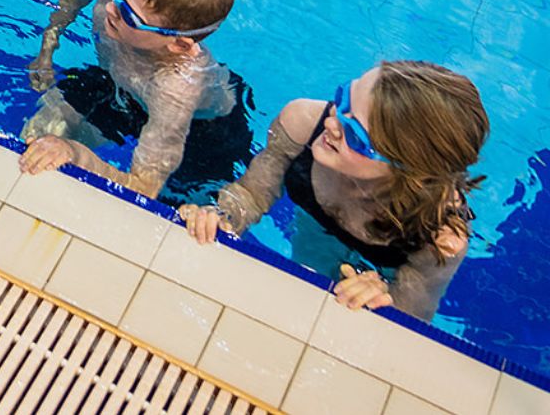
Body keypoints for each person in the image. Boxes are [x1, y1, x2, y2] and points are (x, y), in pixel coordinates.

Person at [179, 61, 489, 322]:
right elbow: (251, 193)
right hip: (311, 228)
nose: (333, 122)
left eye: (355, 135)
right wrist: (223, 216)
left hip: (375, 258)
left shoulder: (439, 236)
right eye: (344, 100)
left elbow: (413, 320)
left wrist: (384, 299)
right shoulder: (301, 123)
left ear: (406, 170)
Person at [18, 0, 247, 202]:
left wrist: (75, 153)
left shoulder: (176, 89)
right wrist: (49, 44)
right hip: (119, 85)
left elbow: (142, 189)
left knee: (179, 203)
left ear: (179, 44)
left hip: (201, 132)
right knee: (37, 139)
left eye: (128, 14)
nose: (111, 7)